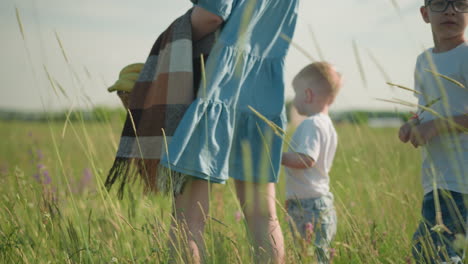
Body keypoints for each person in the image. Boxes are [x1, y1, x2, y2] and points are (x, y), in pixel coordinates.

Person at [158, 0, 299, 263]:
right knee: (264, 216)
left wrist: (169, 41)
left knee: (188, 219)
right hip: (265, 96)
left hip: (217, 85)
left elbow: (212, 14)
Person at [398, 0, 468, 262]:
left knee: (435, 251)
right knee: (430, 250)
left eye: (460, 4)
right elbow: (423, 108)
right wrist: (413, 123)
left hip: (461, 180)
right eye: (440, 4)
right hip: (435, 178)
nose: (451, 10)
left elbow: (436, 120)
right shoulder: (423, 60)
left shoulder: (466, 56)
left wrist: (437, 126)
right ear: (425, 14)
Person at [282, 62, 342, 264]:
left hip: (309, 207)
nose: (294, 99)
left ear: (307, 95)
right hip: (318, 202)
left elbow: (306, 159)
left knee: (310, 257)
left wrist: (276, 157)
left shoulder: (312, 123)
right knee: (318, 256)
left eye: (296, 92)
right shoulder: (326, 124)